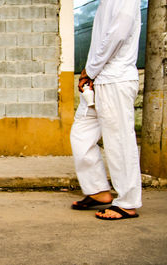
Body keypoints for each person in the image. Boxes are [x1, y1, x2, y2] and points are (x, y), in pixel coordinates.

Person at [70, 0, 142, 220]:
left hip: (116, 80)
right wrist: (89, 72)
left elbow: (117, 36)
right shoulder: (104, 3)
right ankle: (98, 190)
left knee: (119, 141)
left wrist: (89, 71)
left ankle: (128, 203)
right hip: (98, 80)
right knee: (81, 135)